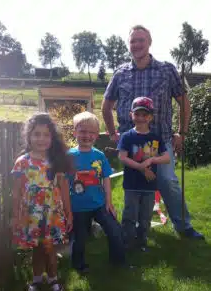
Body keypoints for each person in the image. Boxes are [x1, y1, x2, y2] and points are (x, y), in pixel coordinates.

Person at [102, 24, 204, 239]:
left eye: (141, 40)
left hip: (161, 141)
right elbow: (106, 105)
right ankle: (134, 230)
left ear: (149, 42)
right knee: (133, 187)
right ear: (129, 45)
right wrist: (113, 133)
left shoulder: (166, 70)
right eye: (133, 41)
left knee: (167, 182)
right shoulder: (120, 73)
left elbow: (184, 102)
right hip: (132, 144)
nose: (137, 44)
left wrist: (181, 133)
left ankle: (184, 227)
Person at [11, 113, 73, 291]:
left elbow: (63, 189)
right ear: (28, 137)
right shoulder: (22, 163)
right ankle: (37, 280)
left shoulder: (56, 162)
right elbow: (16, 192)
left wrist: (69, 213)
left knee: (50, 248)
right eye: (36, 134)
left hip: (53, 214)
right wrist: (15, 216)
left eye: (46, 135)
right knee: (36, 249)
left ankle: (54, 280)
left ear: (52, 138)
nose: (41, 139)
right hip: (31, 215)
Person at [68, 111, 125, 273]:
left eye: (92, 132)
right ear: (75, 132)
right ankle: (79, 266)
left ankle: (119, 262)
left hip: (99, 204)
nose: (87, 135)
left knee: (114, 230)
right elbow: (62, 182)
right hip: (77, 207)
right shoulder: (69, 157)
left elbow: (106, 178)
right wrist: (65, 208)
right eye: (82, 131)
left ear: (96, 135)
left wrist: (109, 202)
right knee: (80, 238)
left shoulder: (99, 156)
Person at [117, 97, 170, 251]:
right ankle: (127, 242)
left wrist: (152, 159)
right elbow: (122, 157)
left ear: (150, 117)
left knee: (145, 217)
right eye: (137, 114)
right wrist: (141, 167)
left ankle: (142, 242)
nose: (140, 118)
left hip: (149, 185)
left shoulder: (155, 137)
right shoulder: (127, 136)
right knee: (130, 215)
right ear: (131, 115)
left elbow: (166, 158)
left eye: (144, 114)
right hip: (132, 185)